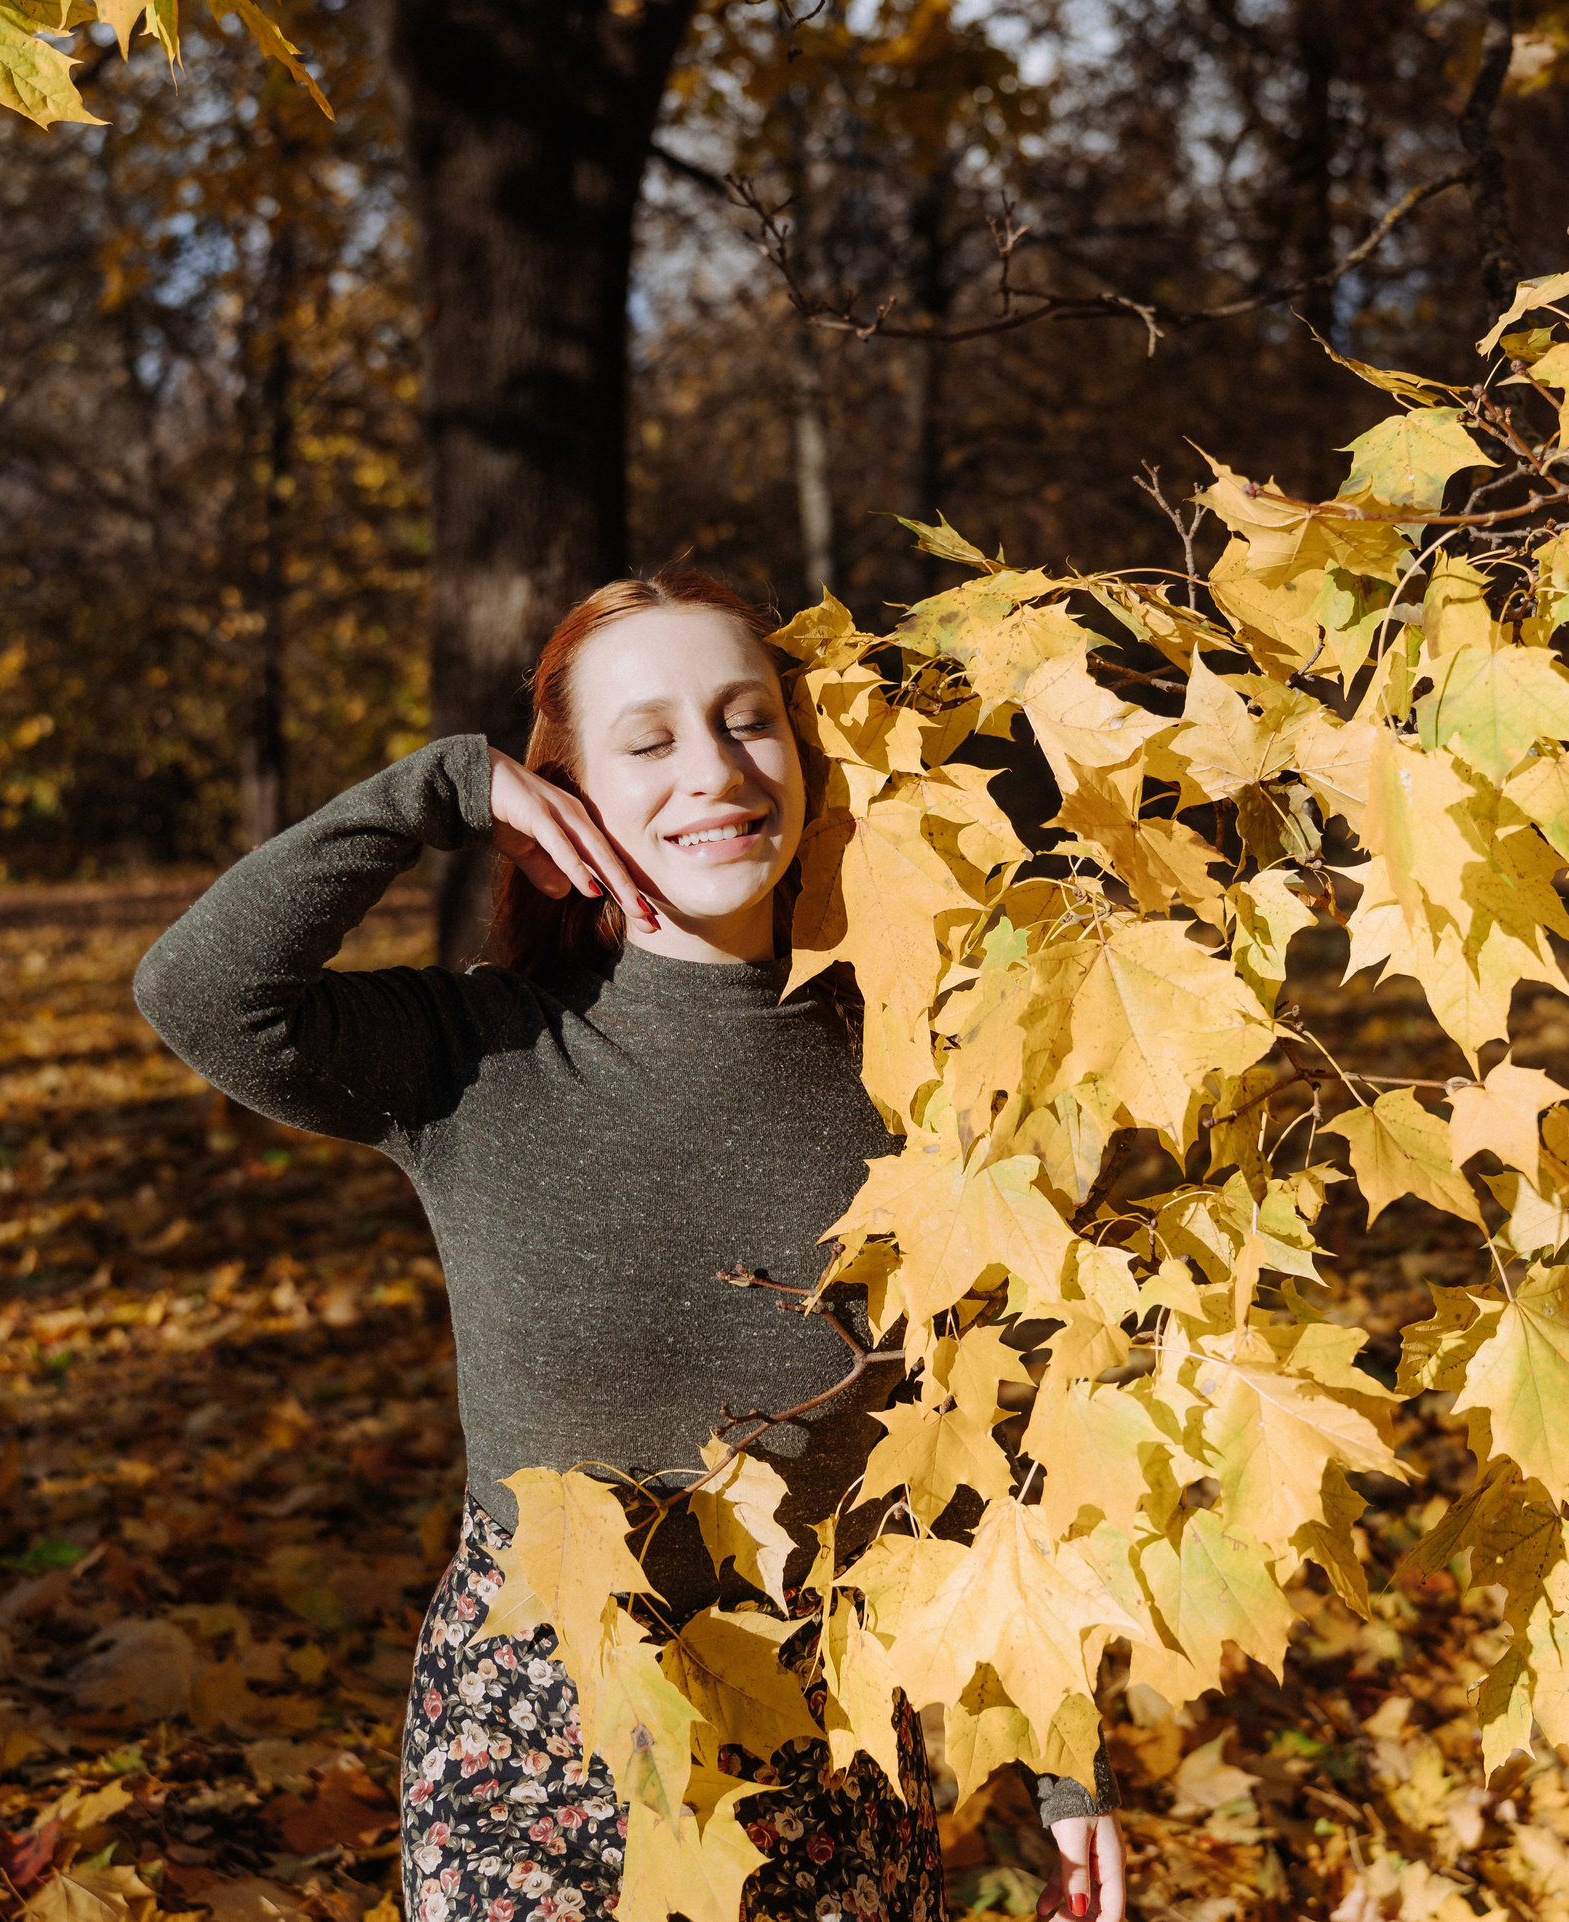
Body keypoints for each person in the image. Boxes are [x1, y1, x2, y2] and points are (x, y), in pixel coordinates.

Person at [132, 569, 1125, 1922]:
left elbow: (985, 1445)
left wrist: (1066, 1758)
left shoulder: (926, 1073)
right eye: (647, 739)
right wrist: (435, 793)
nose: (713, 770)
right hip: (531, 1730)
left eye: (745, 720)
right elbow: (199, 993)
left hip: (825, 1735)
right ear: (563, 796)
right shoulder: (478, 1054)